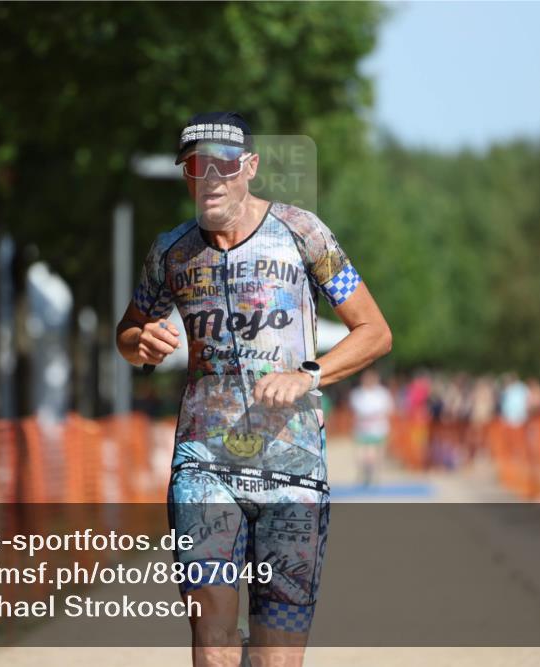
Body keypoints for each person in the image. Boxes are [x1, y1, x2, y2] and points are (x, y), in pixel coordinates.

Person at [115, 112, 392, 666]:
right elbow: (128, 331)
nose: (210, 179)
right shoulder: (171, 252)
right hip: (204, 466)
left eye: (223, 165)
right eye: (196, 167)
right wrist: (137, 342)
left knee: (276, 658)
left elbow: (375, 332)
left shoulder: (302, 232)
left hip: (294, 470)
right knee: (213, 639)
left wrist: (308, 374)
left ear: (250, 167)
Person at [348, 369, 394, 486]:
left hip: (378, 428)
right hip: (362, 429)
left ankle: (376, 475)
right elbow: (357, 409)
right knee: (362, 454)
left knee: (377, 453)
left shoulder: (382, 393)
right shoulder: (358, 393)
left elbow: (388, 408)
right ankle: (363, 473)